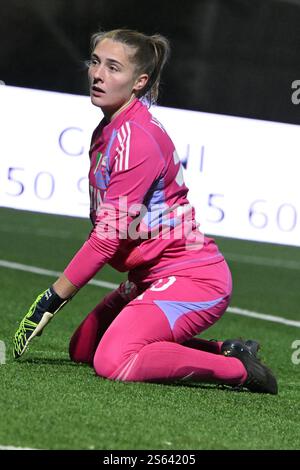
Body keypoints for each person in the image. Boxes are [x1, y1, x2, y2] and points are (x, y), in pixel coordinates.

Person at [13, 28, 277, 394]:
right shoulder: (110, 126)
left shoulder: (134, 138)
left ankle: (239, 371)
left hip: (194, 279)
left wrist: (52, 298)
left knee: (113, 360)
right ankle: (229, 350)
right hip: (148, 275)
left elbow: (106, 240)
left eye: (113, 67)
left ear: (139, 82)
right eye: (95, 62)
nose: (98, 74)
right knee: (84, 349)